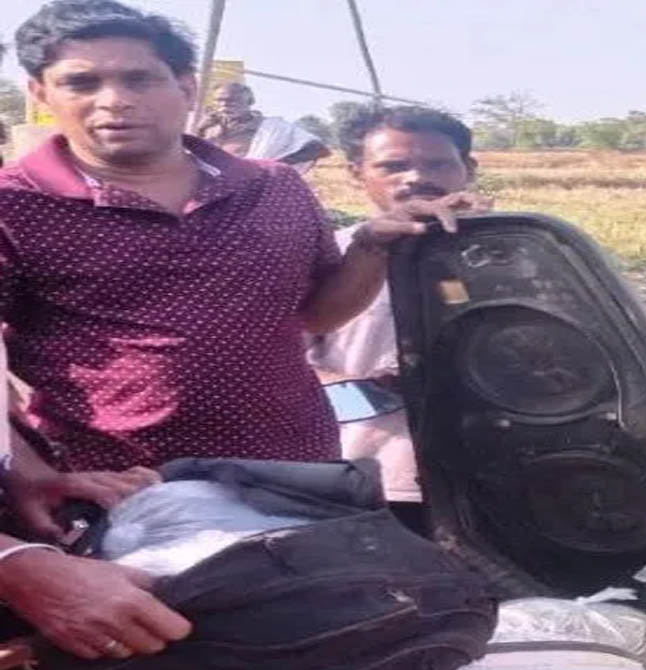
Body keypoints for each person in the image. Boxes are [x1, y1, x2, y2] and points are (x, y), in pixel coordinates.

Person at [1, 0, 433, 522]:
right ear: (41, 92)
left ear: (186, 87)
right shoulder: (15, 204)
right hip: (118, 490)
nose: (113, 101)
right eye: (82, 83)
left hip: (293, 472)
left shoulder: (274, 186)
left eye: (140, 80)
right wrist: (27, 472)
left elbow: (317, 314)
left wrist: (370, 246)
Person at [308, 103, 490, 532]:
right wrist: (375, 392)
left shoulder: (517, 252)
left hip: (490, 469)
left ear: (469, 168)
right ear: (357, 173)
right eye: (392, 166)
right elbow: (285, 362)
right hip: (369, 473)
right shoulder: (331, 252)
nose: (414, 177)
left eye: (437, 163)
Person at [195, 82, 330, 171]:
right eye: (219, 101)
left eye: (232, 100)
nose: (224, 105)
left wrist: (271, 166)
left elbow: (317, 149)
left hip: (250, 186)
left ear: (249, 101)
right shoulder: (208, 126)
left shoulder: (272, 128)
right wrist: (199, 130)